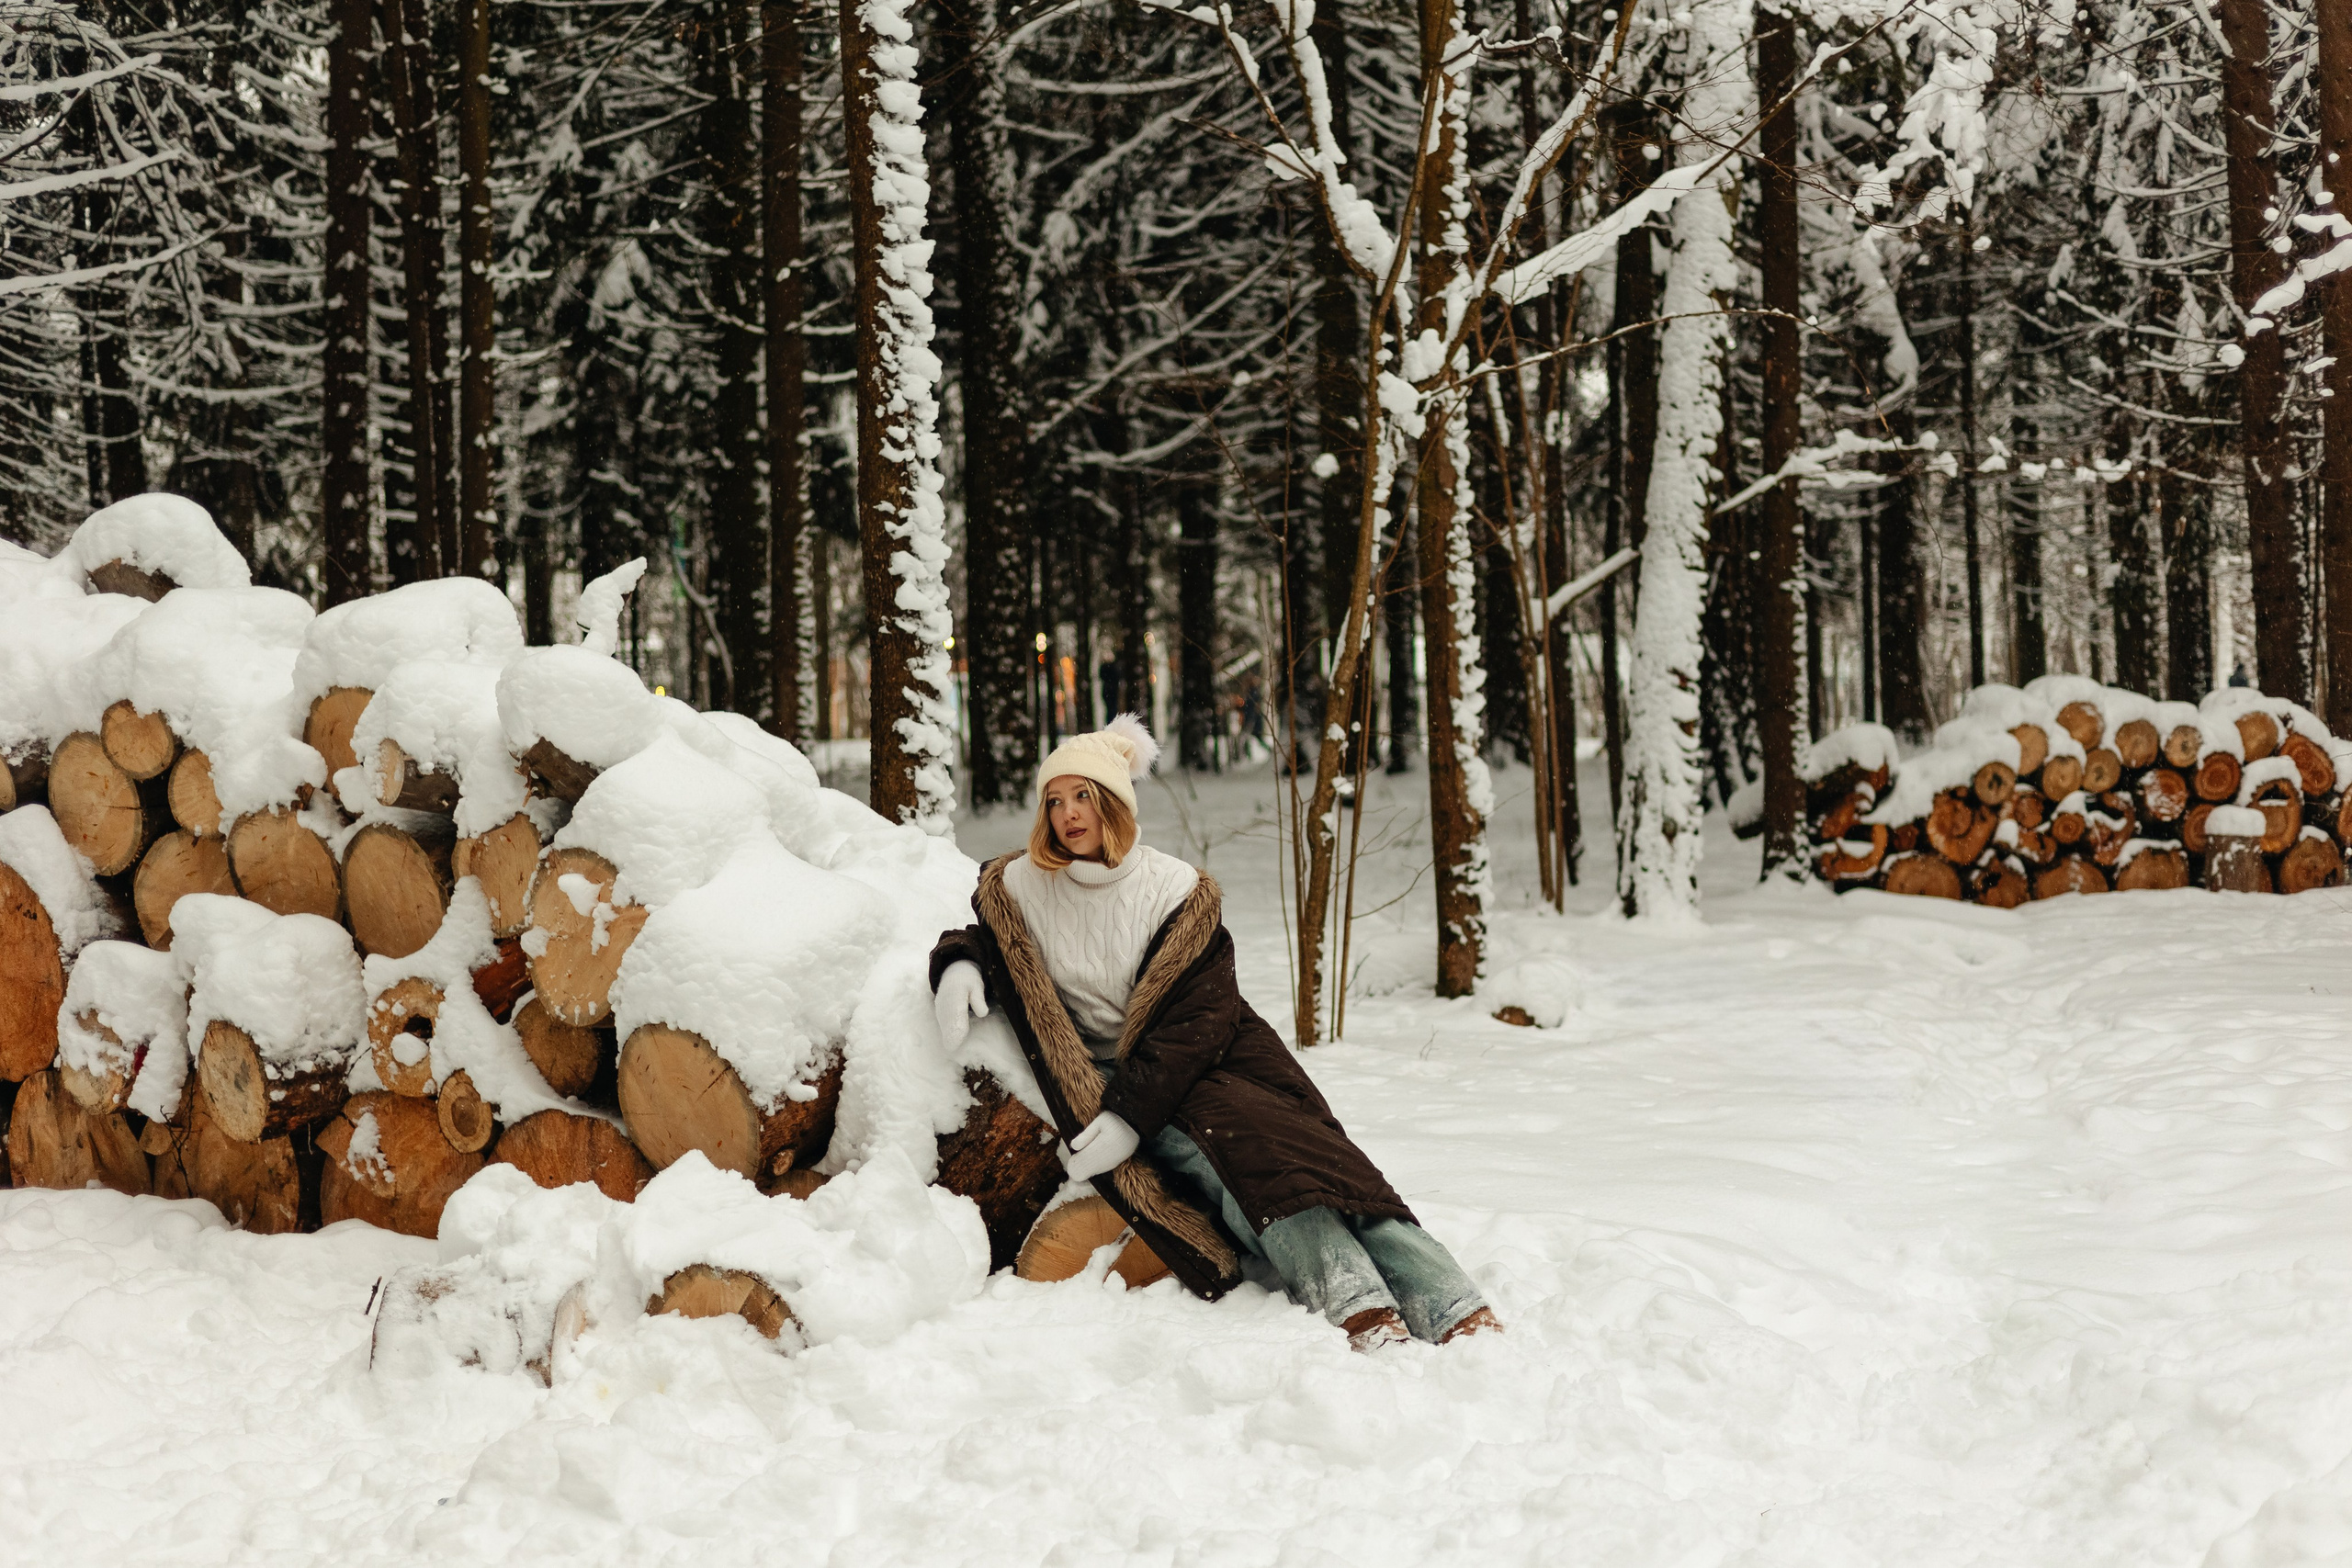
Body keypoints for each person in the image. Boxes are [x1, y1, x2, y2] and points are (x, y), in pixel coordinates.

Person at [929, 715, 1500, 1352]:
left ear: (1114, 801)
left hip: (1209, 1060)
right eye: (1054, 800)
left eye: (1082, 795)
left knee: (1308, 1160)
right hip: (1122, 1076)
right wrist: (957, 964)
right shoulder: (1023, 887)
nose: (1068, 813)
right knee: (1242, 1165)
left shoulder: (1172, 888)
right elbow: (986, 939)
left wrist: (1129, 1119)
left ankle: (1449, 1299)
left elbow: (1198, 1017)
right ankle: (1358, 1304)